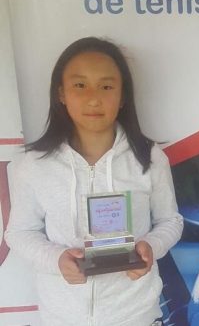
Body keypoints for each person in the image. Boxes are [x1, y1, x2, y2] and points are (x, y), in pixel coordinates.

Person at [6, 37, 183, 326]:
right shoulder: (34, 164)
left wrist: (151, 247)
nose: (93, 98)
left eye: (106, 86)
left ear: (123, 96)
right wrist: (57, 259)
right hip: (62, 319)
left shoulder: (148, 157)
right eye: (80, 85)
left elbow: (170, 220)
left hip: (136, 316)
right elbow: (19, 232)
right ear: (61, 93)